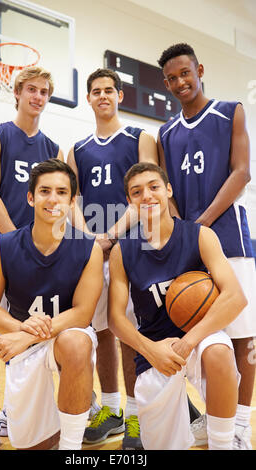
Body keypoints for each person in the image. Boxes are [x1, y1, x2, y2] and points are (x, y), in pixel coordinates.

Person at [157, 43, 256, 450]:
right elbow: (167, 191)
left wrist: (200, 224)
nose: (180, 82)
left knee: (243, 337)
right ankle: (217, 418)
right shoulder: (164, 132)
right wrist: (183, 228)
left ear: (199, 69)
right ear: (165, 83)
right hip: (190, 244)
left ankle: (241, 426)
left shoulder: (230, 110)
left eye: (185, 73)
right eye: (172, 78)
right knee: (203, 333)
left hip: (228, 237)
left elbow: (242, 172)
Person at [108, 161, 247, 450]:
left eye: (154, 187)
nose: (146, 196)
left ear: (168, 190)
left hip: (199, 340)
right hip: (155, 350)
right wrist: (151, 350)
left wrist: (189, 342)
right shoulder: (124, 250)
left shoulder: (200, 235)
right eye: (137, 192)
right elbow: (116, 320)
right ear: (129, 201)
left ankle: (224, 443)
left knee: (219, 349)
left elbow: (235, 297)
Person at [0, 66, 64, 450]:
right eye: (31, 90)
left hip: (39, 256)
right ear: (18, 93)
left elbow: (61, 205)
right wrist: (15, 242)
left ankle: (10, 413)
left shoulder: (53, 148)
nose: (38, 97)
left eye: (44, 92)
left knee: (26, 335)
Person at [0, 158, 103, 450]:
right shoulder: (3, 245)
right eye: (45, 191)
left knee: (76, 343)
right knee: (32, 445)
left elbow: (83, 313)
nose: (53, 199)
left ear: (72, 201)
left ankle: (71, 446)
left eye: (61, 192)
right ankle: (46, 423)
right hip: (24, 347)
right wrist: (20, 327)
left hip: (65, 335)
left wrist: (27, 333)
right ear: (31, 197)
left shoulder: (88, 248)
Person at [67, 68, 158, 449]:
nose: (103, 96)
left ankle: (137, 416)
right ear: (87, 98)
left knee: (130, 335)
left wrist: (111, 235)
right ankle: (110, 411)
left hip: (133, 247)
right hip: (92, 252)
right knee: (102, 332)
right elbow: (71, 199)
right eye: (96, 91)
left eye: (109, 90)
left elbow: (147, 193)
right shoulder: (76, 149)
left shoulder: (140, 138)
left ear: (120, 95)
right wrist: (89, 240)